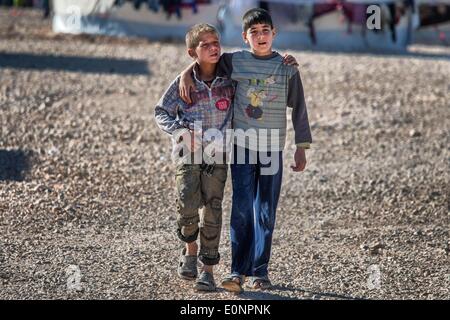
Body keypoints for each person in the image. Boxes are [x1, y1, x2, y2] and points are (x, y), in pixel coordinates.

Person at [179, 8, 312, 293]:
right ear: (244, 36)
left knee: (266, 210)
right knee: (240, 209)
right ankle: (237, 270)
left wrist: (302, 147)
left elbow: (299, 108)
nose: (261, 36)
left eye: (266, 30)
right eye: (254, 32)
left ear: (274, 34)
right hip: (241, 147)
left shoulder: (286, 67)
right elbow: (205, 62)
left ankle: (260, 271)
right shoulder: (235, 61)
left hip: (272, 149)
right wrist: (186, 73)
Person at [154, 23, 235, 292]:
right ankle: (189, 250)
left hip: (218, 155)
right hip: (187, 154)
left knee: (213, 209)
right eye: (206, 45)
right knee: (187, 204)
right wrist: (179, 131)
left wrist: (284, 61)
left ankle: (208, 270)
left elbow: (259, 63)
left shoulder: (230, 77)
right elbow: (161, 112)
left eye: (216, 42)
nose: (214, 48)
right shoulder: (182, 84)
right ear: (192, 52)